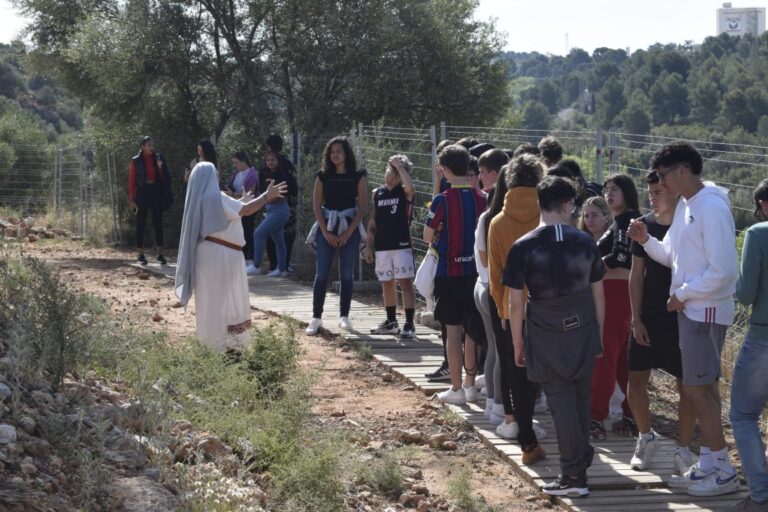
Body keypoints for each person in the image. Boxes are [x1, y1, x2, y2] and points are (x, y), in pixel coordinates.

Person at [627, 141, 739, 497]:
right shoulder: (689, 206)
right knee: (700, 388)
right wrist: (646, 241)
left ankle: (722, 469)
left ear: (682, 171)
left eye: (663, 176)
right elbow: (671, 254)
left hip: (703, 311)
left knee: (696, 389)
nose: (661, 185)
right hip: (693, 310)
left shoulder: (711, 207)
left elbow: (724, 271)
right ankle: (708, 462)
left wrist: (683, 294)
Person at [504, 176, 605, 497]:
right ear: (566, 205)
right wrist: (598, 335)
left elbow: (515, 303)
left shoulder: (523, 246)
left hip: (546, 329)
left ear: (540, 203)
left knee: (560, 400)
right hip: (585, 325)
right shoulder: (586, 242)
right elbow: (598, 295)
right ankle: (579, 462)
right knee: (580, 398)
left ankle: (574, 477)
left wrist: (518, 342)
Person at [174, 162, 286, 350]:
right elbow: (246, 211)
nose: (218, 176)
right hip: (221, 255)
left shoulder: (202, 199)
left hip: (208, 255)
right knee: (225, 301)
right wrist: (267, 196)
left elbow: (231, 213)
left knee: (211, 302)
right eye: (215, 173)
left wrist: (242, 200)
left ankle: (210, 347)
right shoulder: (215, 196)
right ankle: (228, 349)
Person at [626, 170, 696, 473]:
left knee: (688, 388)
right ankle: (645, 437)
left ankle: (683, 450)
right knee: (636, 380)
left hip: (685, 317)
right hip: (649, 317)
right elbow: (636, 276)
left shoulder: (691, 224)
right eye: (649, 193)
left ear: (675, 192)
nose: (652, 198)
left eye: (658, 192)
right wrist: (635, 319)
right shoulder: (643, 226)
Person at [489, 154, 547, 464]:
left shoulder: (497, 222)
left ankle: (527, 440)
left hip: (513, 311)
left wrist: (502, 311)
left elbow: (496, 274)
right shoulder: (548, 217)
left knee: (517, 374)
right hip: (547, 309)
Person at [424, 144, 485, 405]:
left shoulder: (442, 199)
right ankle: (471, 386)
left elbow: (428, 234)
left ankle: (456, 388)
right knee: (472, 332)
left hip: (449, 273)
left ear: (446, 170)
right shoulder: (482, 198)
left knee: (453, 331)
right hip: (476, 274)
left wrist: (439, 236)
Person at [590, 174, 641, 440]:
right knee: (623, 359)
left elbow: (620, 256)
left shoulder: (625, 221)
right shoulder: (628, 220)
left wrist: (587, 270)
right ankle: (630, 415)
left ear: (628, 193)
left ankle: (595, 417)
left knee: (607, 356)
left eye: (615, 190)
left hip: (613, 294)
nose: (609, 194)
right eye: (606, 189)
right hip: (626, 295)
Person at [727, 179, 768, 512]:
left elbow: (747, 294)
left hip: (763, 338)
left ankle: (759, 495)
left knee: (742, 415)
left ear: (764, 205)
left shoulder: (758, 233)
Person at [305, 136, 368, 335]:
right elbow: (316, 206)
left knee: (347, 275)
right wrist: (325, 232)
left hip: (349, 227)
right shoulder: (322, 175)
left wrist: (349, 233)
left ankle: (344, 316)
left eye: (339, 151)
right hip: (327, 226)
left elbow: (363, 208)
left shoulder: (358, 176)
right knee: (321, 274)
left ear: (346, 153)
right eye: (332, 152)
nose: (335, 155)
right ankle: (316, 317)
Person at [365, 155, 417, 338]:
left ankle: (409, 324)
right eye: (389, 172)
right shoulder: (377, 193)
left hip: (401, 244)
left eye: (396, 175)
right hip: (382, 246)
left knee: (405, 283)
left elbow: (411, 187)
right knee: (387, 283)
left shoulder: (404, 191)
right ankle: (391, 322)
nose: (391, 178)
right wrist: (368, 245)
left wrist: (400, 167)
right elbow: (373, 220)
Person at [476, 164, 509, 425]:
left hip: (481, 285)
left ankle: (490, 405)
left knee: (492, 350)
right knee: (502, 353)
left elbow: (483, 258)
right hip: (495, 290)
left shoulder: (485, 217)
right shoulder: (501, 221)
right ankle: (499, 406)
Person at [128, 136, 172, 266]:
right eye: (149, 145)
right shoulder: (135, 161)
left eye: (152, 145)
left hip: (155, 192)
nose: (151, 147)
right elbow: (131, 181)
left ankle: (159, 253)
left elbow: (165, 177)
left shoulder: (158, 158)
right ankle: (140, 254)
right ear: (142, 146)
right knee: (140, 222)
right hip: (142, 193)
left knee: (158, 222)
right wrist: (131, 199)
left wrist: (159, 168)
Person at [248, 151, 292, 277]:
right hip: (271, 210)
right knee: (279, 240)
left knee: (258, 234)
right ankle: (282, 270)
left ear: (278, 161)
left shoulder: (281, 175)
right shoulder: (265, 174)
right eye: (268, 160)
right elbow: (264, 194)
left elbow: (281, 195)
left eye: (273, 160)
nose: (270, 162)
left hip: (280, 210)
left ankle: (256, 266)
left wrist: (267, 198)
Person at [265, 134, 300, 273]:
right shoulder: (288, 163)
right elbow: (294, 185)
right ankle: (285, 264)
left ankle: (275, 265)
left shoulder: (270, 164)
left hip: (275, 204)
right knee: (288, 235)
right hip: (290, 204)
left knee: (272, 234)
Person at [225, 152, 259, 265]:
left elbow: (250, 193)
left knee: (248, 231)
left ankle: (250, 257)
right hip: (236, 207)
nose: (234, 165)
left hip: (248, 207)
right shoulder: (235, 174)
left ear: (243, 161)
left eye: (236, 162)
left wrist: (233, 194)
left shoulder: (252, 174)